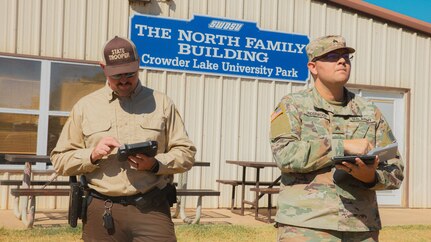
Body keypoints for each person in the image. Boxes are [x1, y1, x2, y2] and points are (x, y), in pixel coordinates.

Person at [51, 36, 196, 242]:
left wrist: (155, 164)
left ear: (139, 65)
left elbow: (186, 153)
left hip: (152, 207)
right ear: (103, 68)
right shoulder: (85, 107)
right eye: (117, 75)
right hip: (102, 210)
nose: (125, 80)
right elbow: (59, 160)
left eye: (130, 73)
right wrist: (91, 155)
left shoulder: (162, 103)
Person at [269, 35, 404, 241]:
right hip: (306, 226)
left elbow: (395, 168)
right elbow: (285, 155)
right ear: (313, 67)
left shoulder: (369, 111)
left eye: (346, 56)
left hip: (361, 226)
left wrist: (371, 177)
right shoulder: (292, 105)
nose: (342, 61)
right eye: (332, 56)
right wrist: (342, 146)